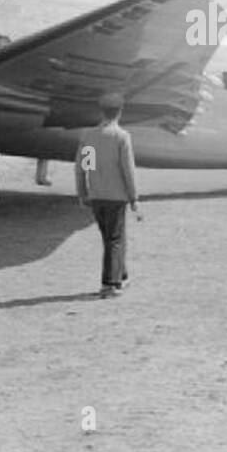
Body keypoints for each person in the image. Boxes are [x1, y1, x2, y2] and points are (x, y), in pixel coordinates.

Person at [74, 92, 142, 298]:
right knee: (115, 239)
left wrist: (82, 192)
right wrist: (134, 198)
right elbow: (127, 170)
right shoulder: (121, 137)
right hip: (117, 196)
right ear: (120, 112)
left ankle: (121, 276)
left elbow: (83, 168)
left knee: (109, 239)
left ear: (101, 111)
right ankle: (109, 284)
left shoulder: (88, 136)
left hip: (97, 195)